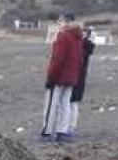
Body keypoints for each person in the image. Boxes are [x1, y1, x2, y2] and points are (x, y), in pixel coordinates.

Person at [41, 13, 83, 142]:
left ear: (65, 22)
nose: (58, 24)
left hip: (59, 76)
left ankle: (47, 131)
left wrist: (51, 76)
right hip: (71, 77)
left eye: (60, 21)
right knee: (65, 103)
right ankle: (62, 130)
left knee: (51, 105)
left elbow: (57, 59)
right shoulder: (77, 37)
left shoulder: (63, 36)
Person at [68, 26, 95, 135]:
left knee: (73, 103)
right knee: (67, 103)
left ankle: (71, 127)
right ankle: (65, 126)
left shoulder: (87, 46)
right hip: (69, 77)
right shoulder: (75, 45)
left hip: (78, 78)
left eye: (84, 33)